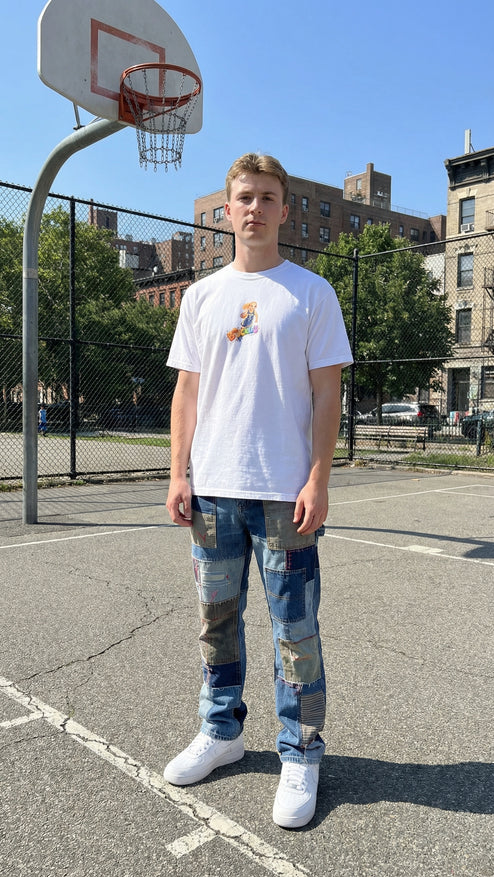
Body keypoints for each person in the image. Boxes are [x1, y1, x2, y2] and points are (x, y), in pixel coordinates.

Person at [164, 152, 353, 828]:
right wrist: (178, 472)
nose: (255, 208)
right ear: (228, 208)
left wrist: (318, 478)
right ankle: (222, 732)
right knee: (216, 621)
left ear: (284, 209)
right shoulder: (201, 296)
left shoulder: (311, 293)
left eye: (267, 197)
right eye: (244, 197)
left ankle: (300, 751)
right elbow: (186, 393)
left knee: (294, 629)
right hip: (213, 490)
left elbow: (327, 394)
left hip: (283, 493)